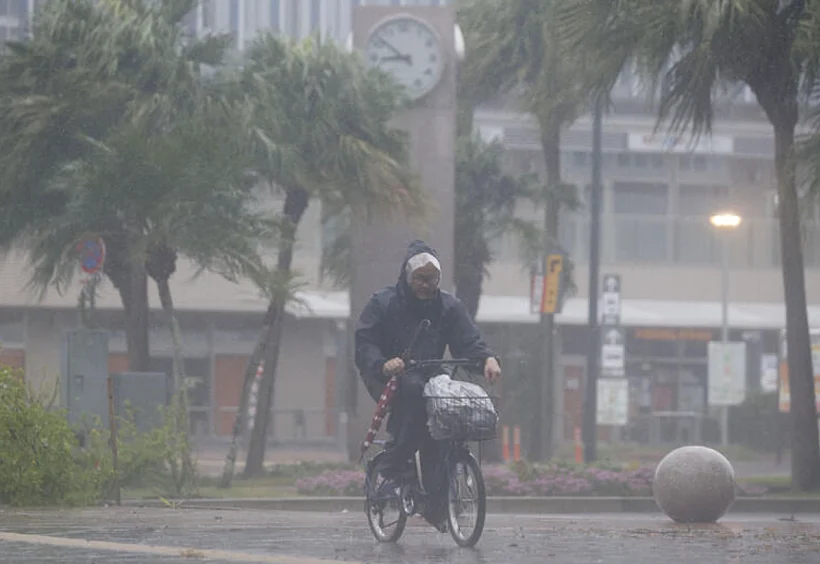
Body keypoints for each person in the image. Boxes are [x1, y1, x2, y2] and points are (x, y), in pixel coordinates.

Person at [354, 239, 501, 532]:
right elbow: (364, 343)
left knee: (443, 424)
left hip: (431, 376)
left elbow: (468, 339)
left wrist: (486, 359)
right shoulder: (382, 303)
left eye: (432, 279)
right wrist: (383, 363)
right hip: (388, 376)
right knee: (411, 395)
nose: (426, 285)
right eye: (420, 279)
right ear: (408, 277)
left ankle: (435, 504)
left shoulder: (448, 306)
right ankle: (395, 463)